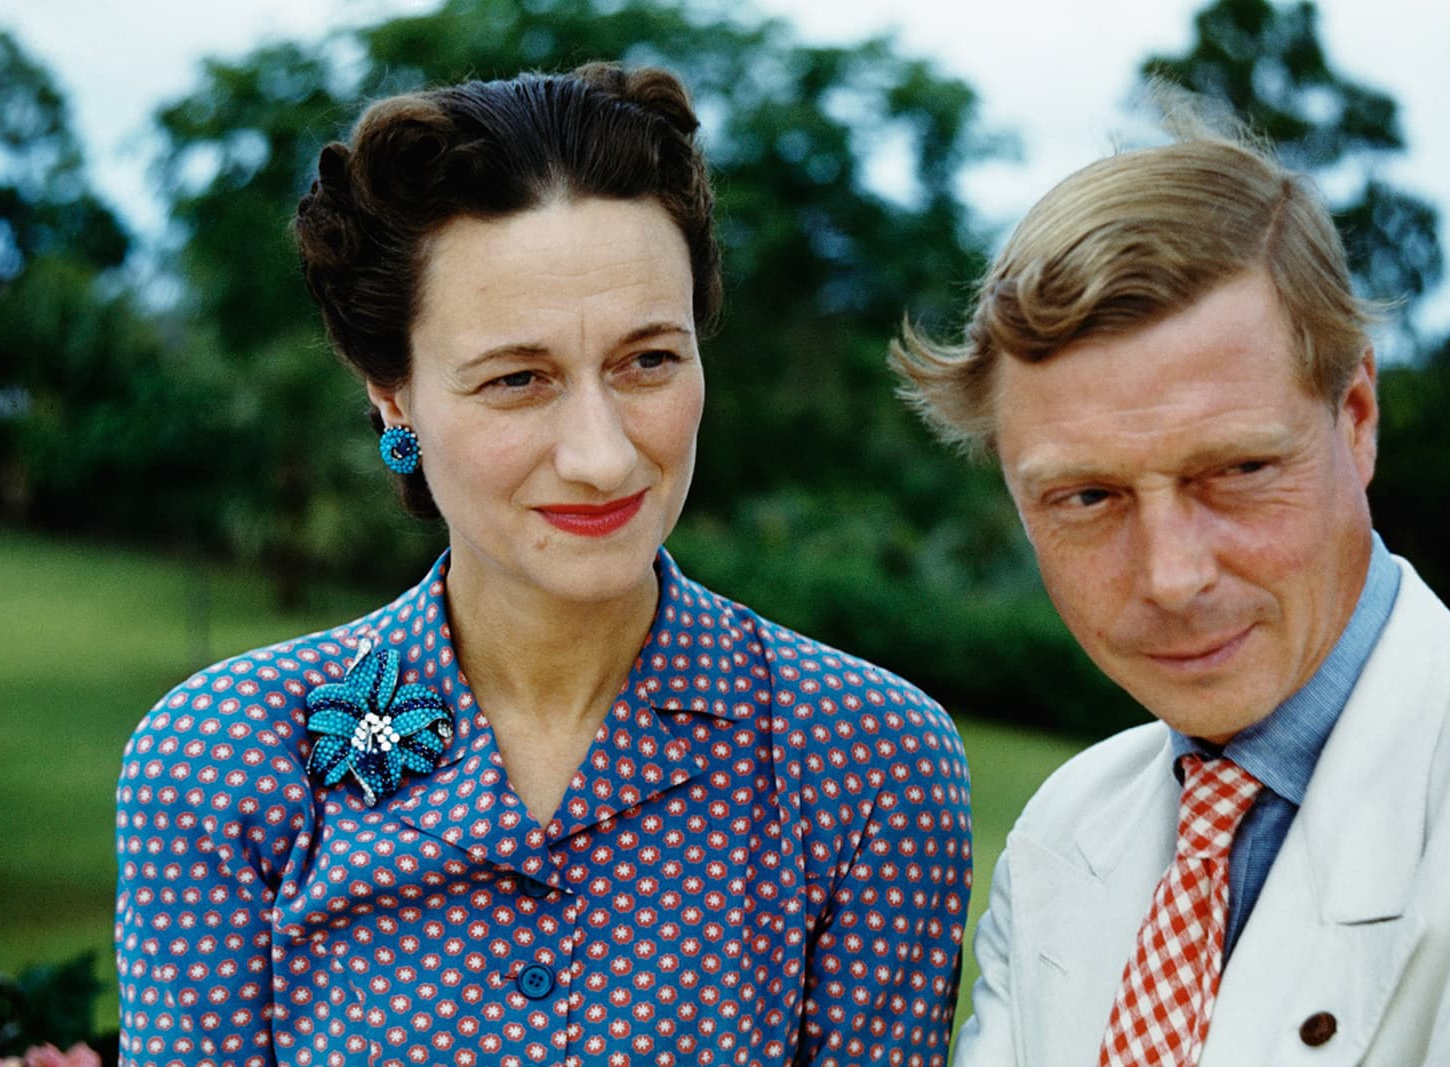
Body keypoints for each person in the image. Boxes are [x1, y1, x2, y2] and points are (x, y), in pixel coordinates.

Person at [114, 63, 971, 1067]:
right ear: (392, 394)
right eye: (518, 379)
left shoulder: (867, 761)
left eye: (647, 359)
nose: (602, 454)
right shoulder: (220, 760)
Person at [893, 122, 1450, 1066]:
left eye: (1240, 469)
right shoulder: (1065, 825)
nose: (1172, 576)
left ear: (1359, 418)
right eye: (1087, 496)